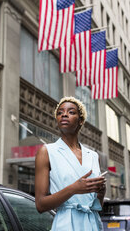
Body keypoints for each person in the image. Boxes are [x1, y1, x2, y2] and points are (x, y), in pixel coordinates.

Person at [35, 96, 106, 231]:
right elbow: (40, 205)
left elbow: (97, 205)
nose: (64, 115)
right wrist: (74, 188)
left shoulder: (93, 156)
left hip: (93, 223)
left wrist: (101, 193)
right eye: (60, 112)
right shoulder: (47, 151)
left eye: (71, 112)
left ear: (81, 121)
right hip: (66, 224)